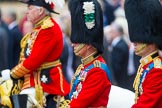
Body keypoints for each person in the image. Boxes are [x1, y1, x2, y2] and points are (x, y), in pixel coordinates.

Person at [0, 0, 70, 108]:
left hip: (45, 83)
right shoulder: (39, 27)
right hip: (33, 80)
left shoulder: (48, 28)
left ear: (41, 10)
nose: (26, 12)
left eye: (30, 8)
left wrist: (11, 74)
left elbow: (33, 61)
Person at [66, 0, 112, 107]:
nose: (73, 45)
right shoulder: (85, 66)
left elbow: (78, 104)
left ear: (88, 44)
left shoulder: (97, 71)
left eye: (77, 42)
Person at [125, 0, 162, 107]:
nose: (134, 42)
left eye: (139, 39)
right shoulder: (146, 65)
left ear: (151, 41)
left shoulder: (156, 70)